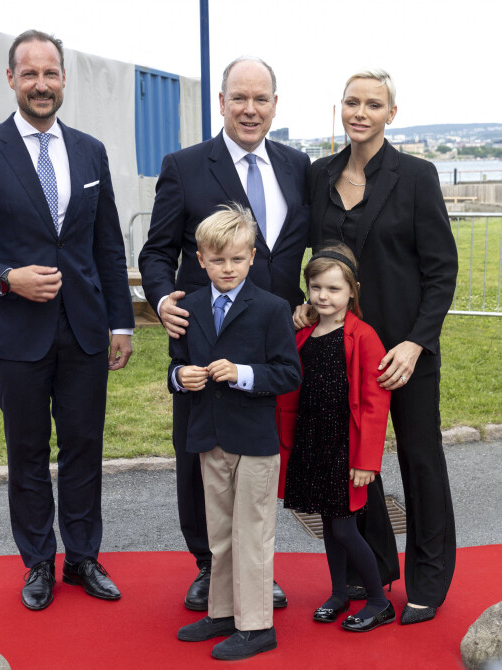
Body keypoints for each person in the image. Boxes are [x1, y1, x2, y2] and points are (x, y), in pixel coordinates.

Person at [0, 30, 135, 611]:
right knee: (26, 451)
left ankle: (84, 557)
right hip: (15, 331)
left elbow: (106, 246)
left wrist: (120, 322)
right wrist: (6, 277)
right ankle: (39, 561)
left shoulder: (90, 151)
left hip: (84, 329)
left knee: (83, 446)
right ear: (11, 80)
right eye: (30, 74)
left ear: (64, 78)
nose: (41, 84)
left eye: (51, 73)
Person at [138, 56, 310, 611]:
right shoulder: (185, 166)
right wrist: (163, 298)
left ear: (276, 104)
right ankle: (209, 565)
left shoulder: (296, 164)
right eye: (240, 97)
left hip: (272, 338)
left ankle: (254, 570)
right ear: (221, 102)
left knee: (261, 456)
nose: (250, 109)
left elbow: (294, 252)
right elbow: (157, 250)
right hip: (204, 336)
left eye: (261, 99)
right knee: (200, 454)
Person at [297, 69, 457, 624]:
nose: (359, 112)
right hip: (341, 350)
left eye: (373, 104)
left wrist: (415, 343)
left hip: (404, 352)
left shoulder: (417, 175)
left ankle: (429, 583)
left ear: (392, 113)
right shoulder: (319, 176)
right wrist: (306, 303)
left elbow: (441, 271)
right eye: (351, 102)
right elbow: (316, 259)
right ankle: (376, 575)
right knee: (353, 469)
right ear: (340, 108)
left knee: (420, 460)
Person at [171, 204, 301, 660]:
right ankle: (223, 612)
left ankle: (257, 624)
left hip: (255, 441)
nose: (228, 268)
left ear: (251, 258)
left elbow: (288, 373)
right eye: (218, 259)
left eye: (237, 259)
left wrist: (243, 373)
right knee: (220, 532)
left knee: (253, 533)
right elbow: (176, 362)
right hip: (210, 437)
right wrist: (179, 376)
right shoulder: (187, 306)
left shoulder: (272, 308)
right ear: (201, 259)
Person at [278, 244, 394, 632]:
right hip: (313, 442)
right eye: (316, 288)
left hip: (346, 448)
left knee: (344, 527)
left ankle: (378, 601)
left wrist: (367, 461)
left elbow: (376, 403)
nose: (323, 296)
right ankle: (340, 591)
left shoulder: (363, 336)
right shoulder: (305, 333)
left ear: (352, 291)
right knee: (329, 524)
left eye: (333, 289)